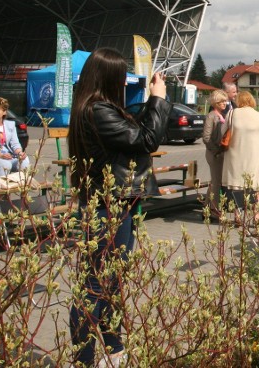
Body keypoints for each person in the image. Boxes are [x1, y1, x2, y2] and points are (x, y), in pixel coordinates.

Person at [67, 48, 170, 367]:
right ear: (110, 78)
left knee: (110, 280)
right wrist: (158, 99)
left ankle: (113, 350)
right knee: (95, 284)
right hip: (106, 209)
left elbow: (134, 135)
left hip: (113, 205)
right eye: (122, 76)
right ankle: (83, 360)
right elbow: (147, 139)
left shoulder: (96, 108)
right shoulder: (97, 110)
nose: (126, 82)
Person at [223, 91, 259, 224]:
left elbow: (223, 132)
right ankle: (256, 216)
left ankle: (237, 216)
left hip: (234, 156)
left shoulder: (232, 114)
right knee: (256, 186)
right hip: (254, 156)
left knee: (236, 186)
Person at [201, 89, 229, 222]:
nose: (225, 103)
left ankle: (206, 208)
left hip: (219, 153)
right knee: (216, 183)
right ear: (215, 102)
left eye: (225, 101)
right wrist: (215, 151)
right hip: (214, 154)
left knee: (214, 182)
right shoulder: (211, 115)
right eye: (222, 101)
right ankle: (214, 211)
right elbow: (206, 137)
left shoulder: (221, 114)